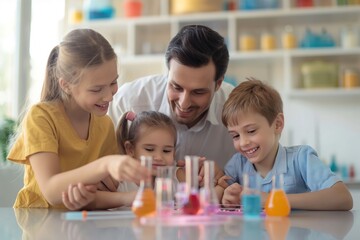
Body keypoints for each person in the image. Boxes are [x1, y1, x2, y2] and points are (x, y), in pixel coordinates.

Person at [7, 28, 150, 210]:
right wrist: (106, 165)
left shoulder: (105, 125)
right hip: (39, 226)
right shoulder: (41, 117)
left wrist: (132, 197)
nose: (109, 96)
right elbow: (51, 190)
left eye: (113, 83)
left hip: (80, 227)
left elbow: (95, 196)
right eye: (97, 89)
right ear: (66, 85)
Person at [108, 24, 236, 169]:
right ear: (168, 73)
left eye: (198, 92)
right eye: (176, 87)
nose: (184, 103)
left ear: (218, 84)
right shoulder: (128, 101)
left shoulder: (238, 110)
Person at [221, 79, 353, 210]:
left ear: (277, 124)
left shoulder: (301, 159)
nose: (243, 143)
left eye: (251, 131)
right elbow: (220, 196)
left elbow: (343, 198)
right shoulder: (237, 164)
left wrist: (271, 199)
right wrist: (227, 196)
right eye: (235, 136)